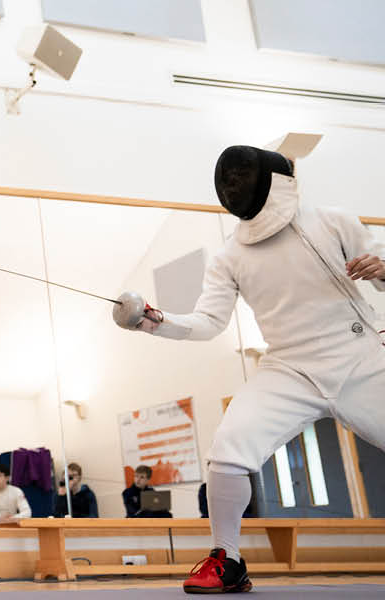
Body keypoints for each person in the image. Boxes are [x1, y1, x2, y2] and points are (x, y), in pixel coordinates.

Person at [112, 143, 385, 594]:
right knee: (228, 449)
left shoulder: (335, 220)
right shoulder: (229, 255)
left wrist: (382, 266)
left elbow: (378, 277)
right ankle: (227, 560)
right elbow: (208, 323)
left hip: (358, 355)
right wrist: (155, 321)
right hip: (288, 366)